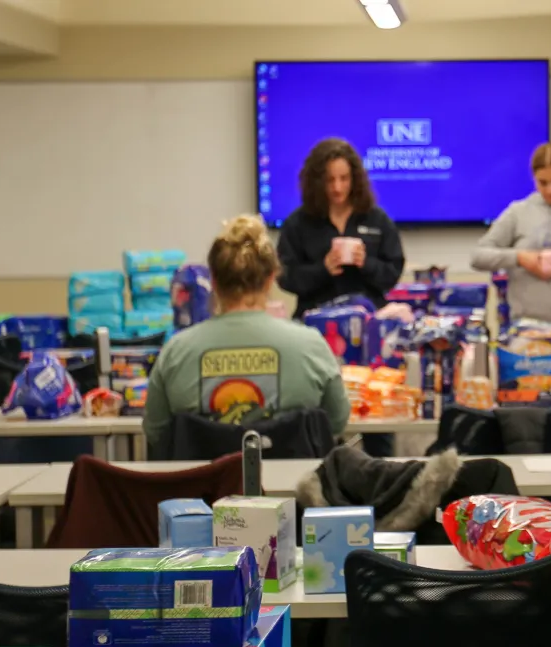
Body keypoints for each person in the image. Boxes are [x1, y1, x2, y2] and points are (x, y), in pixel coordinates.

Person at [145, 215, 350, 453]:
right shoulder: (311, 346)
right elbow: (336, 422)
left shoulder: (175, 352)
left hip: (204, 488)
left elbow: (157, 434)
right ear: (271, 278)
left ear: (214, 280)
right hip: (292, 488)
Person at [470, 142, 551, 322]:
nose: (550, 190)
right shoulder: (518, 212)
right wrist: (522, 258)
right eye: (543, 183)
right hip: (527, 327)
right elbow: (477, 256)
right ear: (533, 179)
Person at [276, 138, 406, 316]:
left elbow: (392, 273)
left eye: (344, 178)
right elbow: (285, 276)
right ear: (317, 181)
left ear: (355, 178)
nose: (337, 187)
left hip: (369, 319)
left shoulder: (377, 219)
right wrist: (323, 269)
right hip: (314, 322)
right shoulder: (297, 223)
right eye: (330, 180)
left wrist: (366, 263)